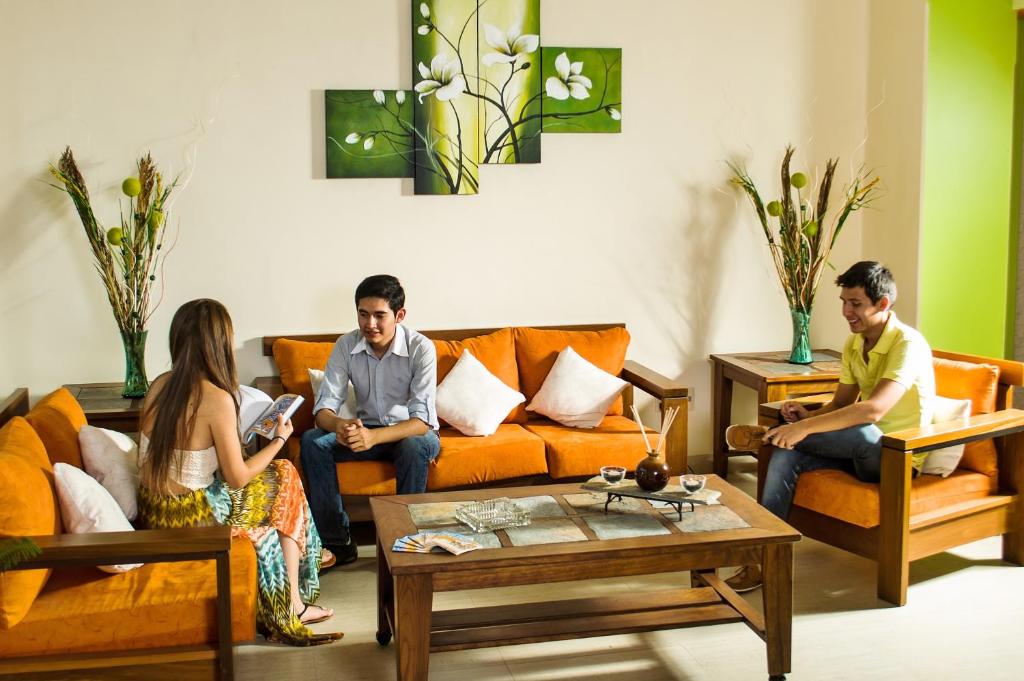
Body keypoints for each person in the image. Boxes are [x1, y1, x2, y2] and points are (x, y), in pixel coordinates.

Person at [137, 299, 342, 645]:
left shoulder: (159, 384)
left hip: (155, 508)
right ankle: (293, 603)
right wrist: (278, 439)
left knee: (283, 474)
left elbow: (185, 453)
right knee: (286, 473)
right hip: (194, 514)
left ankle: (299, 588)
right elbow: (237, 478)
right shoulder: (215, 397)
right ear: (218, 344)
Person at [724, 261, 935, 592]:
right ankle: (760, 559)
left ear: (883, 304)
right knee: (785, 454)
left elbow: (874, 409)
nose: (846, 311)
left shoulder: (908, 344)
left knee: (860, 431)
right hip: (854, 450)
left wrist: (802, 431)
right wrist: (805, 419)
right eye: (843, 302)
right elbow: (840, 405)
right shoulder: (855, 343)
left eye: (855, 304)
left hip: (897, 456)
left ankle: (764, 437)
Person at [300, 274, 440, 565]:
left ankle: (406, 541)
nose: (370, 324)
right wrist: (341, 426)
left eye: (379, 315)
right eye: (363, 314)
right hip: (368, 431)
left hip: (410, 434)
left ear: (399, 315)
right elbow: (323, 409)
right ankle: (337, 544)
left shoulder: (421, 348)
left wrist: (373, 437)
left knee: (414, 446)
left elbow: (422, 422)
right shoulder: (346, 345)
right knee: (313, 441)